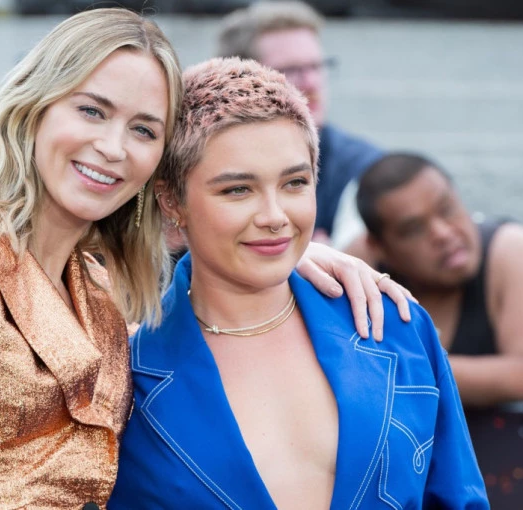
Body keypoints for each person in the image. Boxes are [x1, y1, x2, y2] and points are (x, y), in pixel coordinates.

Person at [0, 9, 412, 509]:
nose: (113, 147)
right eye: (92, 111)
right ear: (34, 106)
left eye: (143, 129)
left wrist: (286, 260)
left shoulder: (96, 287)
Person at [109, 58, 487, 509]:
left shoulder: (395, 325)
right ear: (171, 200)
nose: (275, 216)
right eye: (237, 189)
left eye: (294, 183)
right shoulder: (124, 381)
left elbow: (460, 498)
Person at [354, 153, 523, 407]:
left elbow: (519, 375)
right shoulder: (358, 268)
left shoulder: (509, 249)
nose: (443, 233)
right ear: (380, 247)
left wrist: (399, 368)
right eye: (414, 229)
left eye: (447, 209)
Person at [218, 0, 382, 249]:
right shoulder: (201, 162)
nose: (311, 82)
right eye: (292, 70)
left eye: (316, 66)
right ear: (240, 81)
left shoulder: (362, 167)